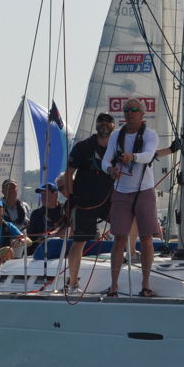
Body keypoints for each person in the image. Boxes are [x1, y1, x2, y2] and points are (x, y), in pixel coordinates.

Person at [101, 101, 161, 297]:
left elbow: (148, 155)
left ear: (142, 114)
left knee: (146, 238)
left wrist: (132, 157)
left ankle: (146, 284)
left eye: (134, 110)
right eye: (126, 110)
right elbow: (105, 160)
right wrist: (110, 170)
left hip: (144, 190)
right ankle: (114, 285)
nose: (129, 113)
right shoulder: (116, 136)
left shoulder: (150, 135)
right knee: (119, 238)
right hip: (121, 190)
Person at [65, 112, 116, 291]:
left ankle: (122, 270)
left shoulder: (117, 148)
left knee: (126, 226)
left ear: (113, 126)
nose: (104, 124)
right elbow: (68, 173)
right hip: (84, 201)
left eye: (108, 122)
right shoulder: (83, 146)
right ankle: (73, 283)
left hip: (108, 199)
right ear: (96, 125)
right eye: (101, 121)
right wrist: (71, 198)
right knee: (79, 241)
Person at [26, 178, 70, 256]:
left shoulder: (66, 210)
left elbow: (70, 230)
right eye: (42, 195)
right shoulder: (36, 214)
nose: (42, 197)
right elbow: (31, 238)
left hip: (64, 254)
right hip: (42, 255)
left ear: (55, 195)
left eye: (45, 194)